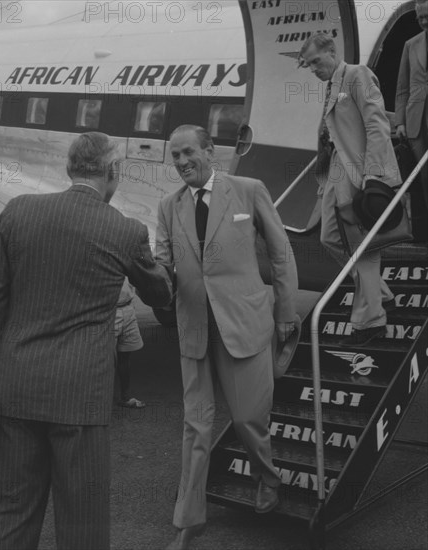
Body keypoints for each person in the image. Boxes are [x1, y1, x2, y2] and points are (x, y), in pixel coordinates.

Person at [0, 132, 172, 550]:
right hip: (80, 396)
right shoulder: (126, 230)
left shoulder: (17, 211)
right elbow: (160, 295)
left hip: (15, 387)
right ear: (113, 173)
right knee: (82, 521)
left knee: (9, 512)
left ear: (69, 169)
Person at [155, 125, 298, 550]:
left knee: (247, 418)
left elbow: (280, 251)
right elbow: (164, 262)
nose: (181, 163)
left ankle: (267, 477)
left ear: (209, 151)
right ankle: (188, 522)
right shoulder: (168, 206)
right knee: (195, 426)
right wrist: (146, 277)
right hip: (195, 328)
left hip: (245, 323)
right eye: (175, 156)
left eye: (187, 153)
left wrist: (286, 310)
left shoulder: (248, 190)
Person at [299, 33, 399, 347]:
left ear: (332, 52)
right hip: (335, 172)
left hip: (358, 172)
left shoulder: (357, 75)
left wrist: (374, 175)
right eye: (309, 64)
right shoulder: (331, 85)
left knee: (362, 245)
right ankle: (380, 293)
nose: (313, 68)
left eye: (317, 61)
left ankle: (370, 323)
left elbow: (377, 125)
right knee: (329, 236)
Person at [395, 0, 428, 241]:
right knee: (425, 180)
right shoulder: (411, 45)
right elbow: (402, 89)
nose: (424, 22)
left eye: (427, 17)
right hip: (417, 122)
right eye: (420, 19)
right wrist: (400, 122)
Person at [114, 277, 146, 409]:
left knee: (125, 356)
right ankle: (96, 403)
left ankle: (125, 397)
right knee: (104, 359)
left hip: (127, 308)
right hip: (108, 310)